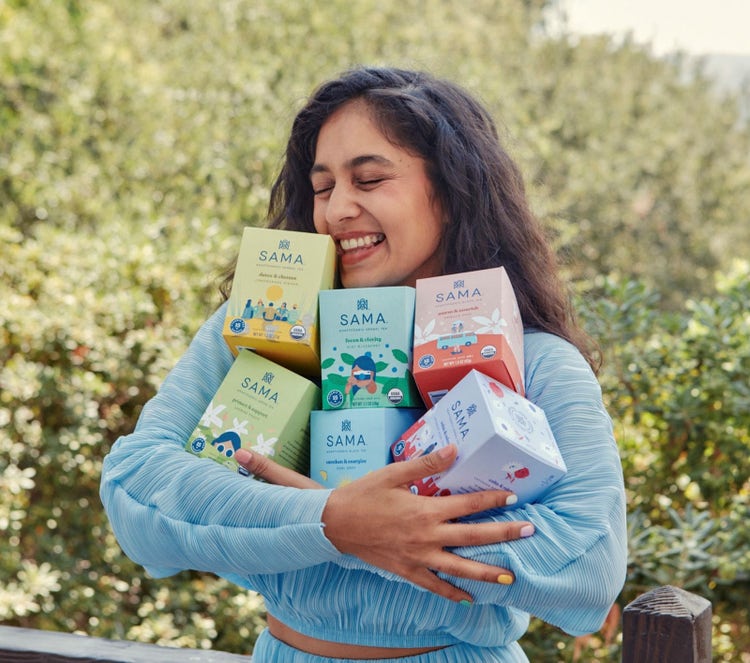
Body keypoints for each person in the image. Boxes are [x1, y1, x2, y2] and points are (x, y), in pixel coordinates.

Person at [100, 66, 627, 662]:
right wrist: (329, 520)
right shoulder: (262, 335)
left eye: (370, 179)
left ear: (452, 194)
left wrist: (383, 532)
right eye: (322, 188)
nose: (337, 210)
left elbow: (590, 570)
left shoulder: (536, 361)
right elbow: (135, 490)